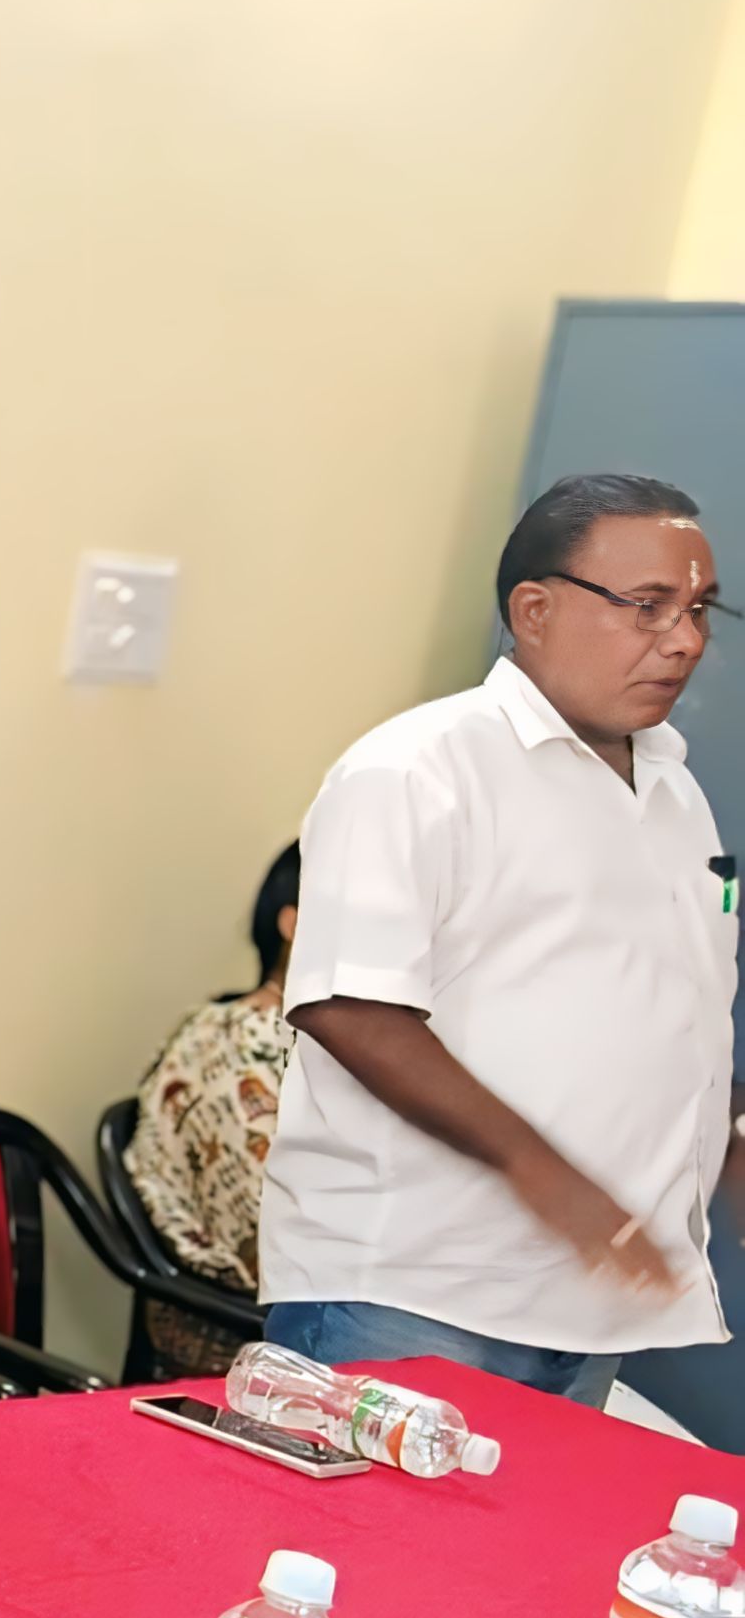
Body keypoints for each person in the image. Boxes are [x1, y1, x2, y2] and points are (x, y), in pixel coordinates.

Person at [260, 472, 738, 1403]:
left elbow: (669, 1015)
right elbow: (351, 1008)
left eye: (698, 611)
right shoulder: (415, 768)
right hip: (412, 1290)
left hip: (596, 1302)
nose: (684, 640)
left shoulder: (677, 794)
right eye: (647, 606)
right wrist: (547, 1177)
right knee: (369, 1511)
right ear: (535, 610)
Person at [124, 842, 302, 1372]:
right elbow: (270, 1231)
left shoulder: (354, 1044)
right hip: (244, 1335)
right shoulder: (237, 1042)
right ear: (293, 924)